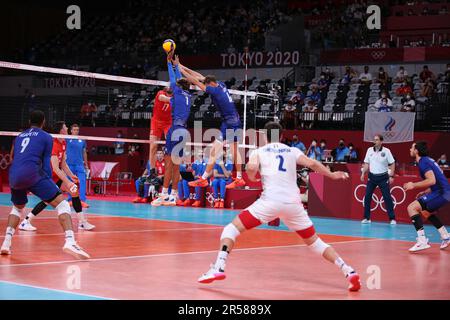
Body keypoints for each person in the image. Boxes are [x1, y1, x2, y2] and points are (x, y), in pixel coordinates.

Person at [197, 122, 361, 292]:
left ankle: (219, 267)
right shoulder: (292, 150)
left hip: (270, 203)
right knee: (315, 242)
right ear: (281, 136)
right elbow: (313, 164)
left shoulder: (259, 151)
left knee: (231, 230)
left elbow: (251, 168)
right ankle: (348, 270)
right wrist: (332, 175)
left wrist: (252, 176)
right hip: (293, 205)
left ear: (264, 136)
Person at [1, 111, 89, 259]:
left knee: (17, 208)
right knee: (63, 205)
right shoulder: (47, 137)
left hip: (14, 174)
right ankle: (70, 241)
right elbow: (47, 165)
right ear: (43, 122)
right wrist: (49, 184)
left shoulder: (19, 136)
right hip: (33, 173)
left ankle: (6, 243)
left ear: (30, 121)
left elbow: (13, 157)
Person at [179, 59, 245, 190]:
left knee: (223, 150)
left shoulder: (215, 91)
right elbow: (200, 77)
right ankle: (235, 178)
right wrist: (182, 66)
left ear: (211, 84)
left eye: (208, 85)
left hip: (231, 122)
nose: (207, 87)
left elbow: (196, 81)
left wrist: (180, 70)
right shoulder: (220, 84)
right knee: (220, 149)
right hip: (231, 121)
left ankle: (206, 179)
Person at [18, 121, 95, 232]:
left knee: (74, 191)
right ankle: (25, 222)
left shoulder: (64, 143)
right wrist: (67, 181)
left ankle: (82, 223)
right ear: (61, 131)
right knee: (47, 200)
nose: (67, 128)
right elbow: (55, 168)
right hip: (47, 176)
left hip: (56, 177)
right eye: (65, 127)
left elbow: (63, 164)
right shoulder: (53, 144)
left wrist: (71, 176)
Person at [151, 53, 192, 206]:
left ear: (178, 86)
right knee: (176, 165)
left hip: (175, 130)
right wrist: (177, 65)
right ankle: (173, 196)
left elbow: (174, 79)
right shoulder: (187, 96)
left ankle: (163, 195)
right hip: (184, 132)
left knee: (169, 164)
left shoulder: (178, 91)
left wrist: (169, 63)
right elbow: (179, 80)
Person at [403, 141, 450, 252]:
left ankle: (422, 240)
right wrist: (426, 191)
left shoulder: (423, 162)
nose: (410, 149)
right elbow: (438, 179)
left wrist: (413, 185)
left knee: (412, 207)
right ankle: (445, 236)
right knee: (425, 211)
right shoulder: (428, 160)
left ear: (417, 151)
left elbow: (432, 180)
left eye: (412, 148)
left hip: (442, 192)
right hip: (443, 192)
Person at [360, 135, 397, 224]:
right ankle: (367, 218)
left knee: (387, 197)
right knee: (367, 197)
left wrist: (391, 175)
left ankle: (392, 218)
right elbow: (366, 164)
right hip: (371, 177)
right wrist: (362, 173)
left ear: (381, 141)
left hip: (383, 178)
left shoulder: (386, 151)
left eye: (377, 140)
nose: (375, 141)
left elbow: (392, 163)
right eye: (374, 139)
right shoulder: (369, 150)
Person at [149, 87, 172, 176]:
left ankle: (170, 167)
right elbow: (163, 98)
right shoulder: (161, 93)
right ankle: (152, 170)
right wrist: (173, 99)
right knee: (153, 146)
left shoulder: (176, 94)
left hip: (168, 123)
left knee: (170, 144)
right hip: (156, 122)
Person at [65, 124, 89, 208]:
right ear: (71, 131)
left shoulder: (82, 140)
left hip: (80, 165)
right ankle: (70, 200)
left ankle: (82, 200)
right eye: (74, 130)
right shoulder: (67, 139)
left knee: (82, 182)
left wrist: (86, 164)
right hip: (69, 165)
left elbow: (84, 152)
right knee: (70, 183)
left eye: (77, 130)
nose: (76, 131)